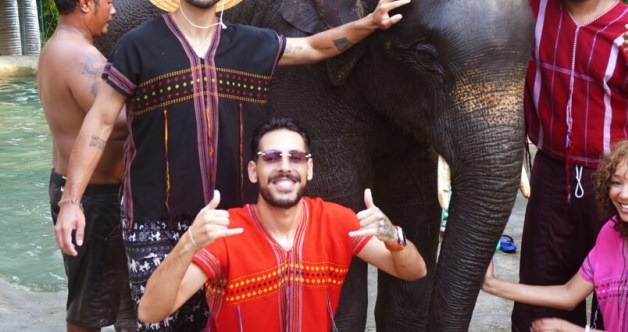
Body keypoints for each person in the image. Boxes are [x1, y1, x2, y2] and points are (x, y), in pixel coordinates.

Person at [55, 0, 411, 329]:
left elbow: (315, 47)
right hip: (154, 225)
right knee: (157, 319)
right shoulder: (137, 45)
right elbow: (100, 121)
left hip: (230, 224)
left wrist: (369, 22)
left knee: (231, 320)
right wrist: (72, 201)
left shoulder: (251, 45)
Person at [137, 117, 427, 331]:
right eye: (272, 158)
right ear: (254, 171)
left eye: (296, 158)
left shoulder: (338, 222)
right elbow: (150, 311)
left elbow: (415, 271)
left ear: (309, 169)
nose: (285, 166)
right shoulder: (226, 231)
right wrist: (189, 242)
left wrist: (393, 236)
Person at [515, 0, 628, 329]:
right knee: (540, 291)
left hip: (618, 184)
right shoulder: (534, 10)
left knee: (618, 294)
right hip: (552, 172)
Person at [485, 139, 628, 332]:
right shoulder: (612, 232)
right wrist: (493, 285)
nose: (624, 194)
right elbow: (568, 294)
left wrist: (576, 330)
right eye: (616, 183)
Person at [37, 0, 136, 331]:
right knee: (87, 311)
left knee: (106, 302)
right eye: (107, 2)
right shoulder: (82, 56)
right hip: (93, 199)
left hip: (85, 192)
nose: (113, 10)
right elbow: (117, 120)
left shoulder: (58, 46)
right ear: (84, 4)